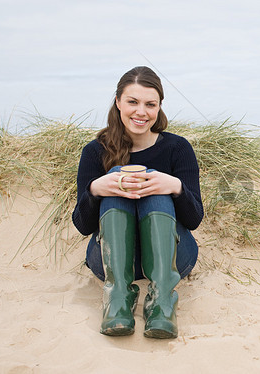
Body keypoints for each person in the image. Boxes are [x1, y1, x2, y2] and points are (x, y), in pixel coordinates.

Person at [72, 66, 203, 339]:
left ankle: (163, 301)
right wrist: (97, 189)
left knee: (155, 180)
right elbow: (83, 226)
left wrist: (175, 187)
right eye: (133, 102)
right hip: (111, 261)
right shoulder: (95, 151)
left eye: (150, 104)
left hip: (173, 258)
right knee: (114, 177)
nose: (141, 112)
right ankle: (118, 296)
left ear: (159, 107)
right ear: (118, 102)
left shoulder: (177, 148)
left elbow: (194, 220)